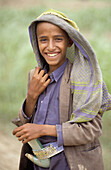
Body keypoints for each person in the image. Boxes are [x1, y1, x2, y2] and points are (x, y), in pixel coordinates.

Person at [12, 9, 111, 170]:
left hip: (70, 164)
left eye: (58, 39)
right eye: (43, 40)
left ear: (70, 41)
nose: (50, 47)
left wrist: (42, 130)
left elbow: (90, 130)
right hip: (38, 164)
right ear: (36, 42)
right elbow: (25, 127)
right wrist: (31, 96)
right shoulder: (35, 76)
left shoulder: (83, 79)